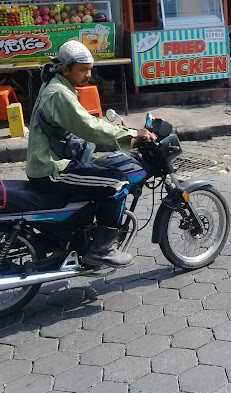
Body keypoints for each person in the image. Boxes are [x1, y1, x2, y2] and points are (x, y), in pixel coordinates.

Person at [26, 40, 154, 267]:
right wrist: (132, 136)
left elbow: (85, 123)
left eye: (90, 70)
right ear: (66, 68)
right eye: (83, 70)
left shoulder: (58, 85)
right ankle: (101, 250)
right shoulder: (59, 93)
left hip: (55, 162)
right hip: (53, 168)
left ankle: (82, 236)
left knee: (104, 171)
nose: (88, 75)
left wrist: (120, 130)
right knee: (117, 183)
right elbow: (89, 127)